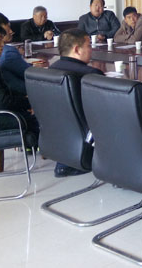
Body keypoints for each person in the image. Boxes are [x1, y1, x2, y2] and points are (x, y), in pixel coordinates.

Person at [48, 28, 104, 177]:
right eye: (89, 46)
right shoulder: (90, 74)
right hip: (87, 134)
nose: (91, 50)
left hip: (57, 133)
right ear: (77, 50)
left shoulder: (50, 70)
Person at [0, 11, 35, 98]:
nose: (11, 31)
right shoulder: (8, 53)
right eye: (8, 27)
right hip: (25, 95)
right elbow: (32, 74)